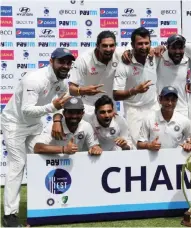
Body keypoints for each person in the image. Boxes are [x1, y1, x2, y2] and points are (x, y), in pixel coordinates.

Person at [1, 48, 74, 227]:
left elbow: (60, 102)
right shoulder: (34, 80)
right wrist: (52, 108)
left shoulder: (62, 81)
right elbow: (27, 109)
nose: (65, 66)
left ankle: (44, 206)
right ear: (51, 61)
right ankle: (10, 215)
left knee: (42, 159)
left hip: (34, 124)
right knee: (17, 165)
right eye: (61, 62)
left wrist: (57, 118)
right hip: (15, 124)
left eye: (68, 62)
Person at [113, 27, 159, 144]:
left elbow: (171, 50)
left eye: (146, 43)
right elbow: (116, 95)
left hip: (153, 107)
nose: (144, 47)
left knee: (158, 142)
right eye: (140, 44)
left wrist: (161, 47)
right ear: (132, 45)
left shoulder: (154, 57)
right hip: (134, 110)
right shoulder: (124, 64)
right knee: (138, 144)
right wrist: (135, 91)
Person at [67, 31, 126, 120]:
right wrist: (83, 90)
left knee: (113, 133)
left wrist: (153, 50)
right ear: (97, 46)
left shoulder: (120, 53)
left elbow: (141, 49)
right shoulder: (84, 59)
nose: (109, 49)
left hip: (109, 106)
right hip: (88, 106)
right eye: (105, 45)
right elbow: (72, 89)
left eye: (112, 45)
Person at [32, 97, 103, 155]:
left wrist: (96, 148)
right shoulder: (54, 126)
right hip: (55, 165)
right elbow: (37, 147)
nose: (74, 116)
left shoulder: (86, 126)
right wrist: (64, 149)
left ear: (83, 113)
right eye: (70, 112)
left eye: (78, 112)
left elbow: (94, 145)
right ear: (64, 113)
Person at [137, 86, 191, 152]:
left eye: (173, 100)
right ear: (160, 100)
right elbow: (139, 144)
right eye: (167, 99)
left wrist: (189, 144)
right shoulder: (149, 119)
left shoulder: (184, 120)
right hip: (154, 160)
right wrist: (149, 146)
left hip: (176, 160)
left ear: (177, 101)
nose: (170, 103)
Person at [155, 34, 190, 117]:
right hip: (161, 108)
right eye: (174, 48)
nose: (177, 51)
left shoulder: (188, 60)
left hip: (182, 109)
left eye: (180, 48)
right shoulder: (159, 57)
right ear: (167, 48)